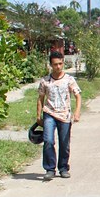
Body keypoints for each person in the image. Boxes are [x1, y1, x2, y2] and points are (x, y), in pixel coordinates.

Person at [36, 50, 82, 181]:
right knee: (49, 141)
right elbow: (40, 98)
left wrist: (77, 112)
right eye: (55, 64)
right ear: (51, 65)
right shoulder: (45, 81)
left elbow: (78, 96)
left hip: (65, 115)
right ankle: (50, 169)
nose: (58, 67)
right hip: (49, 114)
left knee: (64, 143)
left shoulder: (69, 80)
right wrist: (38, 116)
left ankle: (63, 168)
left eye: (60, 64)